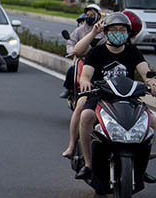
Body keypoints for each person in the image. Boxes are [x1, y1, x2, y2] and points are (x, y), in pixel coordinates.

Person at [65, 12, 156, 179]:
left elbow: (146, 73)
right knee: (86, 116)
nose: (118, 33)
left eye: (122, 29)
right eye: (114, 29)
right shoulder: (96, 52)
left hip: (128, 97)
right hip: (100, 96)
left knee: (152, 120)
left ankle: (141, 163)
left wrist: (152, 83)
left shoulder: (133, 52)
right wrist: (85, 82)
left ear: (128, 32)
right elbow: (86, 74)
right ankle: (88, 164)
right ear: (106, 32)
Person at [60, 4, 105, 98]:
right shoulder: (79, 30)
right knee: (72, 71)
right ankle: (68, 89)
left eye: (92, 15)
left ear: (98, 16)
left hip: (98, 60)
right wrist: (72, 51)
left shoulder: (103, 31)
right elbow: (70, 42)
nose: (89, 17)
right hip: (81, 59)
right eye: (87, 15)